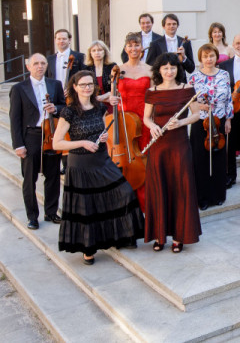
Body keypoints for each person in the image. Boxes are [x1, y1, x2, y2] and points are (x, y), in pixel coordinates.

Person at [52, 71, 144, 265]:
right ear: (75, 87)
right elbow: (57, 144)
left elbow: (103, 131)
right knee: (87, 208)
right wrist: (83, 143)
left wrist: (103, 138)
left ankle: (121, 236)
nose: (87, 87)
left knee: (124, 191)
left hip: (102, 160)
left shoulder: (99, 107)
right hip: (81, 165)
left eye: (90, 84)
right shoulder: (68, 112)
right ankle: (88, 249)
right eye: (83, 84)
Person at [142, 53, 203, 253]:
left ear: (178, 69)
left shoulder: (187, 90)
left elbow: (196, 114)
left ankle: (179, 236)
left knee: (180, 188)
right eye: (165, 68)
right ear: (159, 70)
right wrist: (152, 127)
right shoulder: (152, 91)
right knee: (159, 188)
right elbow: (146, 118)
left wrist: (181, 122)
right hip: (158, 146)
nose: (169, 71)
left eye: (173, 67)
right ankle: (160, 235)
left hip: (179, 145)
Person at [9, 54, 65, 230]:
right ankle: (32, 216)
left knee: (53, 176)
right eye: (36, 64)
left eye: (42, 63)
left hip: (51, 135)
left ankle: (51, 212)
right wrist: (18, 144)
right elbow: (14, 118)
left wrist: (56, 108)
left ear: (47, 65)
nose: (39, 66)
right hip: (31, 136)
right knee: (29, 179)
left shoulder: (55, 84)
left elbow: (64, 107)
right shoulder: (19, 88)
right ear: (28, 67)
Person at [110, 32, 153, 210]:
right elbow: (114, 95)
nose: (134, 48)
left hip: (145, 118)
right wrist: (110, 99)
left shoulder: (150, 69)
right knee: (128, 159)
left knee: (144, 159)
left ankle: (146, 205)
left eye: (137, 45)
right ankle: (128, 206)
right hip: (126, 119)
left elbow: (153, 95)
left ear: (142, 48)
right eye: (130, 45)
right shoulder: (117, 69)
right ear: (125, 48)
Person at [189, 44, 233, 210]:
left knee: (219, 158)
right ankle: (202, 197)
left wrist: (228, 120)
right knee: (200, 159)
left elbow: (228, 97)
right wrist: (199, 107)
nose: (209, 59)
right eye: (205, 56)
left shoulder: (224, 74)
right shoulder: (193, 77)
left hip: (219, 119)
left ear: (216, 57)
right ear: (201, 58)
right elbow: (190, 101)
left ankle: (218, 195)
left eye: (212, 56)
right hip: (201, 122)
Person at [220, 34, 240, 187]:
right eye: (238, 43)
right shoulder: (224, 65)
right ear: (233, 45)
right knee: (230, 143)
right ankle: (230, 175)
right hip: (231, 108)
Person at [146, 14, 195, 82]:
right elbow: (149, 66)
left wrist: (184, 58)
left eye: (174, 24)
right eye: (168, 24)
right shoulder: (155, 44)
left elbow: (191, 69)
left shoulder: (185, 43)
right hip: (162, 82)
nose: (171, 26)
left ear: (177, 26)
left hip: (180, 83)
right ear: (164, 26)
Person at [83, 40, 116, 113]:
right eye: (94, 50)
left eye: (100, 50)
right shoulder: (86, 69)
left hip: (110, 104)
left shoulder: (112, 66)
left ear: (105, 52)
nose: (97, 53)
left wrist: (104, 96)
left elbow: (117, 87)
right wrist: (102, 99)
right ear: (90, 53)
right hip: (92, 105)